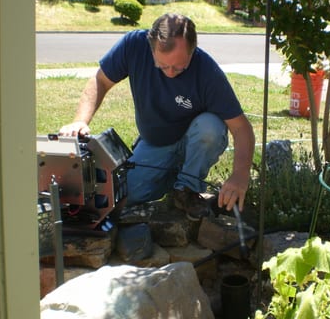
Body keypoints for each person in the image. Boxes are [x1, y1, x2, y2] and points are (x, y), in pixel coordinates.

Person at [59, 13, 255, 221]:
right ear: (150, 48)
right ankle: (173, 179)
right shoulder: (133, 46)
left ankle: (186, 189)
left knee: (211, 128)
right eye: (163, 66)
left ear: (193, 51)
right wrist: (80, 120)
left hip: (195, 139)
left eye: (179, 67)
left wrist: (240, 175)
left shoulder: (207, 71)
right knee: (128, 194)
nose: (170, 73)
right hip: (156, 142)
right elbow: (100, 81)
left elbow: (241, 128)